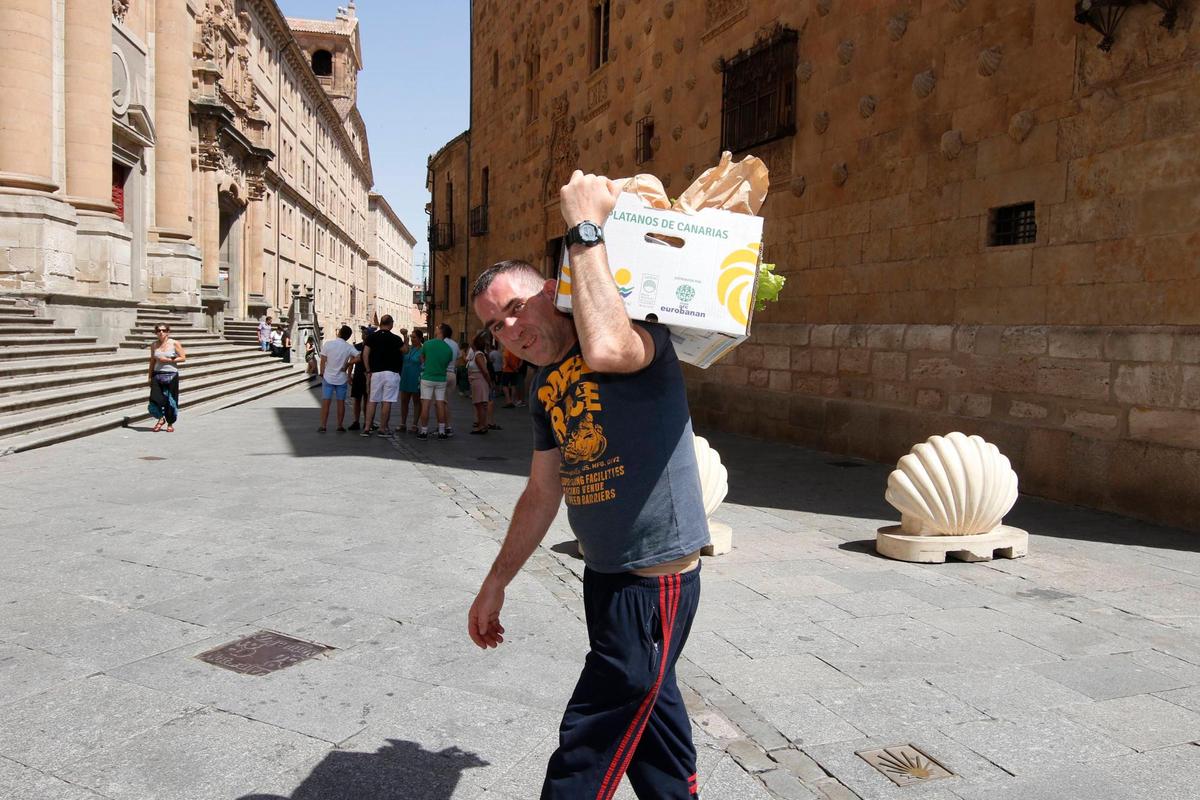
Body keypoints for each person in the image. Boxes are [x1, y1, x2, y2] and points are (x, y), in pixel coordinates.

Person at [467, 171, 710, 800]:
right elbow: (541, 493)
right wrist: (496, 581)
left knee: (589, 743)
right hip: (604, 576)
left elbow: (606, 348)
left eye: (515, 308)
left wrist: (584, 227)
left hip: (653, 578)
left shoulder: (641, 333)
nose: (510, 331)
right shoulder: (543, 386)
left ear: (554, 291)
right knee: (653, 726)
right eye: (495, 326)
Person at [361, 315, 404, 437]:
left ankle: (367, 428)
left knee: (372, 400)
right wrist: (405, 336)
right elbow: (405, 350)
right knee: (387, 401)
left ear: (380, 323)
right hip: (391, 373)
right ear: (391, 324)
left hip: (376, 373)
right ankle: (382, 428)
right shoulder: (396, 338)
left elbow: (365, 354)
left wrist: (368, 370)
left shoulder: (371, 337)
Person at [317, 325, 358, 433]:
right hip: (341, 378)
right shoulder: (349, 347)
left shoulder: (328, 344)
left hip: (328, 377)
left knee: (326, 402)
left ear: (339, 333)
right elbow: (359, 356)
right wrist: (349, 363)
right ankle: (339, 425)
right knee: (341, 402)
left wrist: (321, 372)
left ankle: (323, 425)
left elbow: (323, 360)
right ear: (348, 336)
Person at [147, 323, 187, 433]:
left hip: (171, 374)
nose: (161, 332)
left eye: (164, 330)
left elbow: (183, 358)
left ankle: (170, 422)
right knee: (155, 399)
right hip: (157, 374)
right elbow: (152, 361)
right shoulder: (154, 345)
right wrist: (149, 376)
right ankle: (161, 418)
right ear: (156, 333)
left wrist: (168, 360)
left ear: (168, 332)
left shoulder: (174, 343)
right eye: (158, 330)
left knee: (171, 400)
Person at [416, 325, 453, 440]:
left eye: (438, 327)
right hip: (441, 378)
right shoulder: (448, 349)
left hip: (427, 377)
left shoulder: (428, 344)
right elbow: (446, 364)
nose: (436, 328)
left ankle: (424, 431)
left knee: (426, 404)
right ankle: (442, 431)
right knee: (440, 403)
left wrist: (427, 364)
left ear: (440, 331)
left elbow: (421, 358)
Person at [465, 331, 495, 435]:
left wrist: (489, 383)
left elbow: (484, 371)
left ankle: (482, 426)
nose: (470, 343)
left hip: (479, 381)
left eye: (472, 342)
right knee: (479, 404)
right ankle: (483, 424)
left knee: (480, 404)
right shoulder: (476, 354)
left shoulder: (478, 355)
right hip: (477, 381)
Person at [399, 329, 425, 433]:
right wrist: (405, 336)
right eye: (411, 337)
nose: (412, 339)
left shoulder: (423, 350)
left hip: (416, 378)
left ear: (419, 338)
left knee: (416, 401)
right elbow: (404, 347)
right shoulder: (409, 349)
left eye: (414, 337)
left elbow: (424, 364)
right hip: (405, 377)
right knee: (404, 401)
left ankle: (414, 424)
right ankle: (403, 423)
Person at [347, 327, 369, 431]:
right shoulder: (357, 346)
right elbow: (351, 360)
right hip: (358, 375)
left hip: (368, 376)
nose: (364, 334)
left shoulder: (373, 347)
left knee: (367, 400)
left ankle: (367, 422)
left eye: (366, 333)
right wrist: (349, 375)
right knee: (357, 399)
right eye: (363, 333)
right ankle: (356, 421)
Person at [440, 323, 460, 432]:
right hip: (452, 374)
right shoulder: (455, 344)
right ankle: (446, 426)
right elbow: (458, 358)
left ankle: (445, 427)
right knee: (445, 402)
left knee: (441, 402)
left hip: (443, 374)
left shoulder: (441, 343)